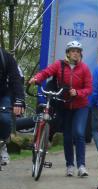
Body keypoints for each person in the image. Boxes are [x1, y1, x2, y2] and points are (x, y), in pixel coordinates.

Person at [29, 40, 92, 177]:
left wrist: (78, 92)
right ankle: (70, 165)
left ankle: (81, 166)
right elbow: (46, 72)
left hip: (81, 106)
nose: (75, 53)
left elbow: (89, 88)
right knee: (68, 136)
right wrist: (36, 78)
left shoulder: (84, 68)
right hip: (64, 104)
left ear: (81, 54)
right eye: (73, 51)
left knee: (79, 133)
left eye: (78, 51)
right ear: (68, 53)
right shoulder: (59, 65)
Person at [0, 48, 25, 166]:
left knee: (4, 119)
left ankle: (3, 144)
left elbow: (16, 79)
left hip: (3, 94)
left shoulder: (5, 57)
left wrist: (19, 100)